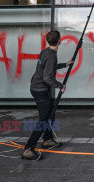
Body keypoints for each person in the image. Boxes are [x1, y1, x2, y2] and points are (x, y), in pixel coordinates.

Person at [22, 30, 74, 160]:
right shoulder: (51, 55)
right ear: (59, 41)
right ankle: (28, 148)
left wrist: (65, 64)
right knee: (44, 119)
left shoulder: (45, 52)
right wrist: (61, 86)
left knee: (50, 113)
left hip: (37, 88)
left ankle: (47, 139)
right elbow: (47, 77)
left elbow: (49, 68)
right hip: (40, 89)